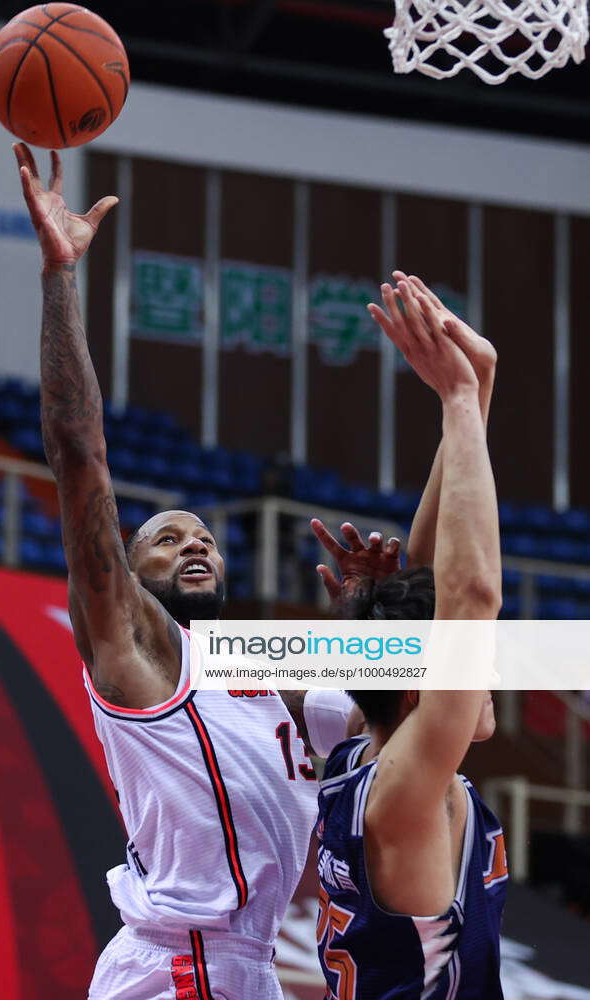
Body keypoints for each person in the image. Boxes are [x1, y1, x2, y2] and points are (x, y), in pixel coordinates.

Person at [13, 141, 384, 1000]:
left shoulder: (261, 670)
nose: (195, 545)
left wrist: (377, 614)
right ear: (127, 578)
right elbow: (78, 455)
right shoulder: (142, 651)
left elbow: (431, 700)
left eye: (205, 539)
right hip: (181, 962)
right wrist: (60, 277)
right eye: (166, 539)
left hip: (241, 964)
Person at [316, 275, 507, 999]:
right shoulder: (403, 789)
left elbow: (432, 589)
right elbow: (469, 595)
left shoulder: (366, 755)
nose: (485, 676)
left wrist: (474, 394)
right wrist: (458, 401)